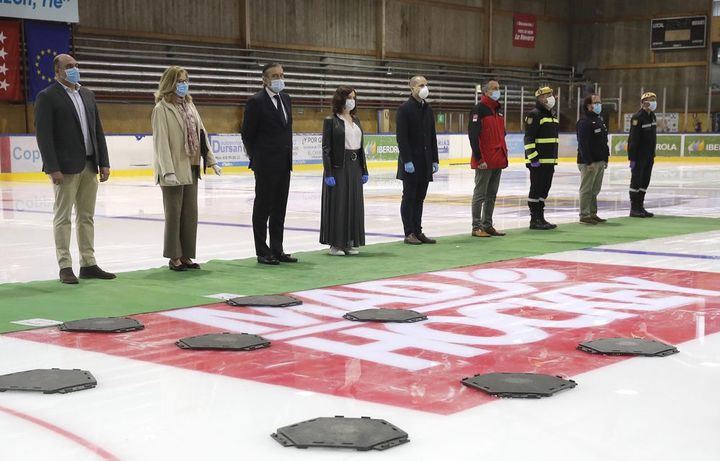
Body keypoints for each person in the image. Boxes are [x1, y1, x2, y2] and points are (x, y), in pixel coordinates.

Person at [35, 54, 115, 284]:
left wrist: (104, 161)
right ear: (57, 71)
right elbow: (44, 135)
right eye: (69, 67)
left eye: (76, 66)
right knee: (63, 218)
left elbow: (97, 130)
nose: (74, 69)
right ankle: (65, 266)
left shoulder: (87, 95)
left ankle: (88, 263)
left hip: (90, 165)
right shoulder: (48, 97)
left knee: (86, 217)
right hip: (65, 169)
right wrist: (52, 167)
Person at [151, 66, 221, 271]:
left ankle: (187, 255)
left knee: (190, 214)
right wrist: (167, 171)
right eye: (180, 80)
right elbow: (161, 143)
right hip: (172, 169)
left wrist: (211, 159)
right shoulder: (161, 109)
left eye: (186, 80)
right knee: (174, 214)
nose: (184, 84)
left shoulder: (190, 106)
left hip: (191, 166)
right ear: (170, 83)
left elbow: (201, 134)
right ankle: (174, 256)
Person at [241, 63, 297, 265]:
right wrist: (258, 158)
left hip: (284, 163)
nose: (279, 78)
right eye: (275, 75)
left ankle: (277, 249)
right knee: (263, 207)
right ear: (264, 79)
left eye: (281, 74)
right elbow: (247, 134)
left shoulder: (286, 99)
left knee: (279, 208)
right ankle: (262, 251)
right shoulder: (256, 102)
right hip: (265, 164)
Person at [320, 86, 368, 256]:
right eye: (349, 97)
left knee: (353, 203)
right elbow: (326, 149)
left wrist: (364, 169)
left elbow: (361, 147)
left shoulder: (356, 120)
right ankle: (335, 244)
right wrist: (329, 173)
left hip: (355, 166)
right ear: (340, 99)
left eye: (354, 97)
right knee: (339, 205)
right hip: (339, 167)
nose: (352, 101)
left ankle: (349, 242)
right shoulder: (331, 121)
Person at [396, 75, 439, 245]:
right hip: (411, 163)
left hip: (425, 162)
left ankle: (418, 230)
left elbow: (432, 137)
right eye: (421, 85)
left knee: (420, 197)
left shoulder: (427, 109)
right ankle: (409, 233)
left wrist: (435, 159)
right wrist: (407, 160)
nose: (424, 88)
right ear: (412, 88)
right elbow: (402, 138)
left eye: (426, 85)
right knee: (409, 197)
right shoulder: (404, 109)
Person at [467, 79, 508, 238]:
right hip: (484, 160)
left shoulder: (498, 110)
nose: (498, 91)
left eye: (498, 88)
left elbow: (501, 134)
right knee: (480, 195)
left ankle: (487, 224)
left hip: (498, 159)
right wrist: (479, 158)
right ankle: (476, 226)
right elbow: (473, 136)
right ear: (485, 91)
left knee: (492, 194)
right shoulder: (479, 110)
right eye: (494, 88)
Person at [524, 86, 559, 230]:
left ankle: (541, 217)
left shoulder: (551, 115)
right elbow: (529, 138)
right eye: (547, 95)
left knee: (544, 190)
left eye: (551, 94)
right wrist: (533, 158)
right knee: (536, 189)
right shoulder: (535, 114)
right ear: (540, 98)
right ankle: (534, 219)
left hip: (549, 161)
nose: (551, 97)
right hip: (538, 162)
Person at [576, 93, 609, 224]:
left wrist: (606, 158)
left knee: (595, 189)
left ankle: (592, 213)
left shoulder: (599, 120)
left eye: (599, 102)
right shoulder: (584, 122)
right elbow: (583, 144)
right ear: (589, 106)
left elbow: (603, 141)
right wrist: (588, 161)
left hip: (600, 160)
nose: (599, 105)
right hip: (589, 162)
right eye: (596, 103)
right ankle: (584, 215)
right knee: (587, 189)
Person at [627, 92, 657, 218]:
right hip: (639, 156)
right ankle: (634, 208)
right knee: (636, 181)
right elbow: (633, 139)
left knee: (645, 181)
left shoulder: (652, 116)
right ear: (644, 102)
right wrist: (632, 158)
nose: (654, 102)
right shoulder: (637, 117)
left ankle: (641, 207)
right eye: (651, 100)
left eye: (655, 99)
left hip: (649, 155)